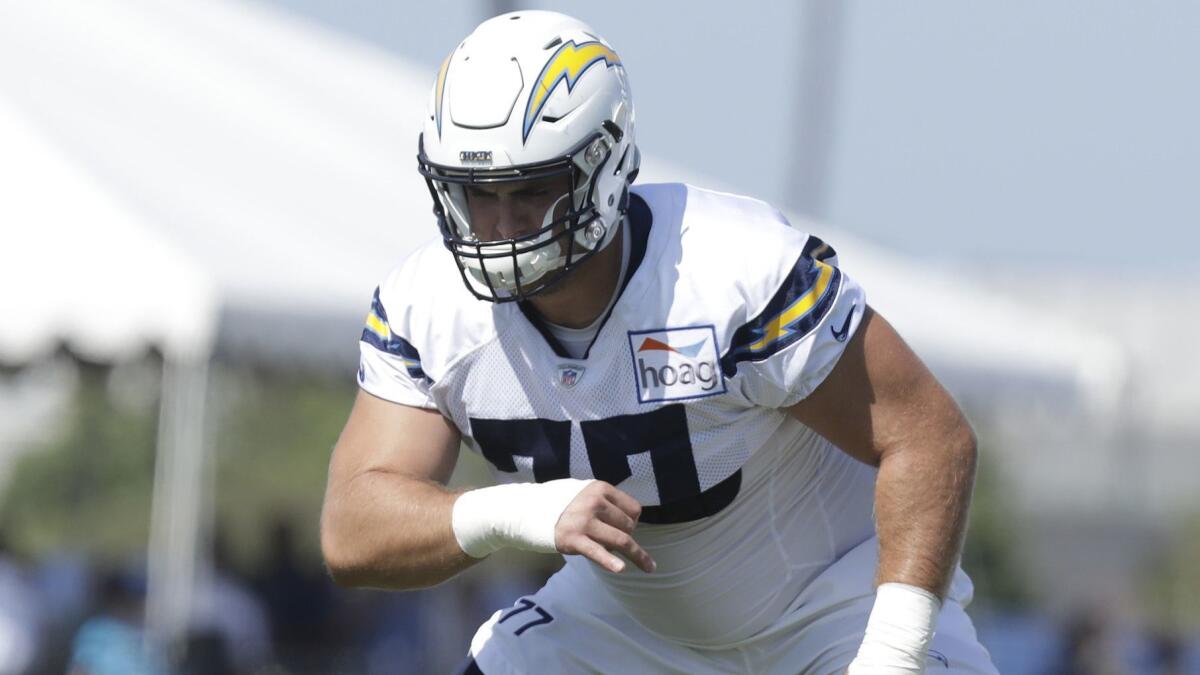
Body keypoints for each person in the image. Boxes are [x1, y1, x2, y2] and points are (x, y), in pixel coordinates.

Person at [321, 10, 998, 674]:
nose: (499, 227)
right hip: (628, 623)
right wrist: (511, 512)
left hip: (832, 611)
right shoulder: (432, 308)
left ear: (603, 167)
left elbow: (929, 438)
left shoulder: (730, 272)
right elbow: (353, 529)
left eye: (529, 191)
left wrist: (891, 653)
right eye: (475, 194)